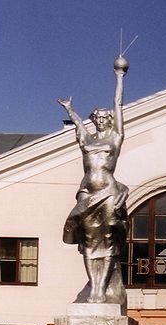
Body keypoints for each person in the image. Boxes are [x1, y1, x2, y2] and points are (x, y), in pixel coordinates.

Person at [58, 56, 130, 308]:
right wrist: (70, 111)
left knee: (108, 236)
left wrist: (119, 76)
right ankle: (94, 289)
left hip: (109, 192)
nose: (101, 119)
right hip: (87, 193)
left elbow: (118, 103)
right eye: (97, 117)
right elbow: (78, 126)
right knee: (88, 241)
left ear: (110, 120)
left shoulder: (116, 139)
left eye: (104, 117)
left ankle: (100, 289)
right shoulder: (86, 140)